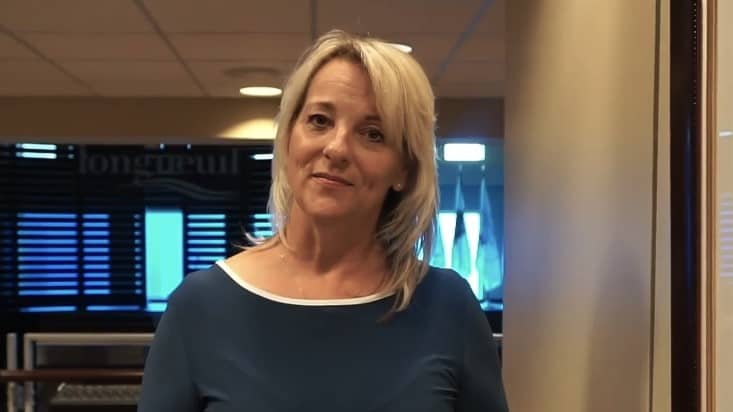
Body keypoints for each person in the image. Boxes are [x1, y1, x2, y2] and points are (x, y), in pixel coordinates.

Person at [138, 29, 508, 412]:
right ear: (288, 138)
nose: (336, 148)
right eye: (319, 120)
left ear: (404, 169)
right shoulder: (200, 306)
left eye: (373, 134)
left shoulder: (449, 307)